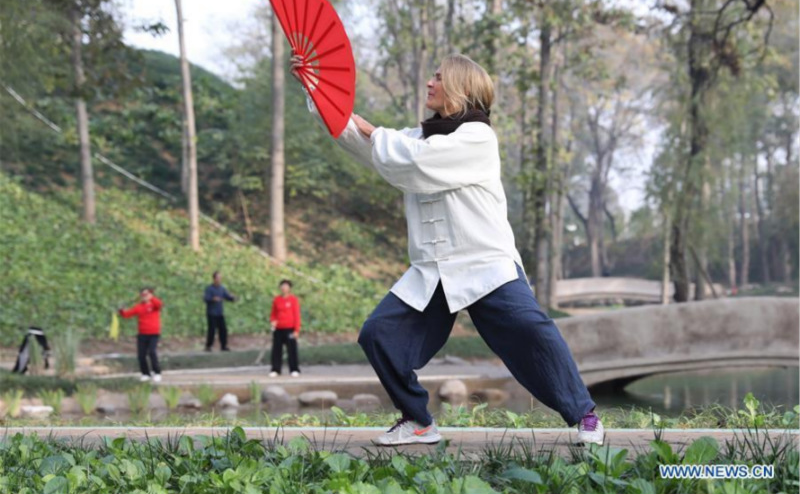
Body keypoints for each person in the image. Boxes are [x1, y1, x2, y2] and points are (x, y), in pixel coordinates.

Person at [291, 53, 603, 446]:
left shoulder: (478, 138)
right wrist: (314, 86)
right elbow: (357, 140)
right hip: (433, 269)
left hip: (485, 263)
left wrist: (372, 128)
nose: (430, 83)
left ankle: (584, 415)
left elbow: (419, 162)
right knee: (379, 333)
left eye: (438, 77)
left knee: (531, 331)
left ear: (461, 89)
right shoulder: (415, 139)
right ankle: (418, 420)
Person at [119, 287, 163, 383]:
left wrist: (151, 297)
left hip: (154, 333)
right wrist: (121, 311)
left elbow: (159, 304)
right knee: (141, 355)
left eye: (146, 294)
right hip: (142, 334)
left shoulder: (154, 305)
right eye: (143, 295)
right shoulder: (139, 307)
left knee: (152, 352)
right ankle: (145, 374)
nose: (144, 297)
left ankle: (157, 372)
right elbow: (127, 314)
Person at [268, 279, 301, 377]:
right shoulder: (277, 300)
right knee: (276, 349)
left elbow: (296, 315)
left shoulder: (293, 300)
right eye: (282, 286)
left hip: (290, 328)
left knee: (292, 349)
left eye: (286, 286)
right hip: (278, 328)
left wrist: (296, 330)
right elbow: (273, 314)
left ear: (289, 288)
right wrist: (273, 321)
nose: (284, 288)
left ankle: (294, 369)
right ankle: (276, 369)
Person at [203, 271, 236, 352]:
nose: (219, 279)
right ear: (214, 279)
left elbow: (226, 296)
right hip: (211, 313)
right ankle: (208, 346)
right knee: (212, 330)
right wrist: (212, 299)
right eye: (218, 278)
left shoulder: (222, 288)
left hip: (219, 313)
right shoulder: (209, 289)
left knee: (223, 329)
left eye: (220, 278)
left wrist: (232, 298)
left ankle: (223, 345)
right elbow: (205, 298)